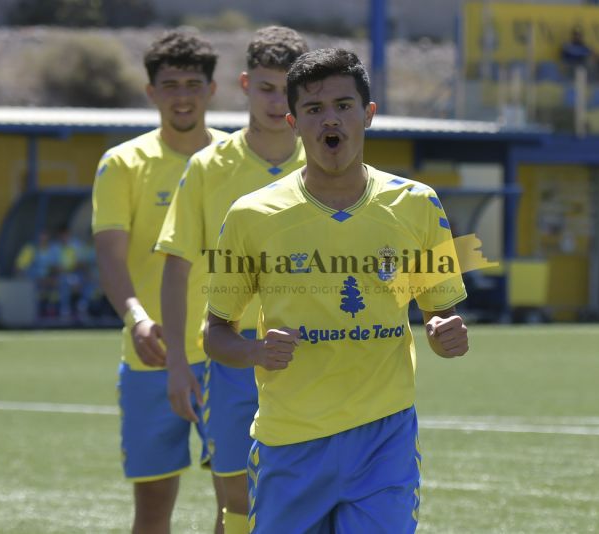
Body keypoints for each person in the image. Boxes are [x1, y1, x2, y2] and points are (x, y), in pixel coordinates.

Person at [203, 48, 470, 533]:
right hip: (291, 442)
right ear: (294, 122)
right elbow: (215, 333)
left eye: (344, 106)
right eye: (314, 109)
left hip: (383, 437)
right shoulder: (251, 215)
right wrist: (255, 351)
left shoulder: (417, 204)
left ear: (368, 115)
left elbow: (440, 312)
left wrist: (444, 332)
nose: (331, 120)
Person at [156, 26, 309, 534]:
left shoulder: (329, 162)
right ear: (245, 84)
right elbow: (176, 268)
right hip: (228, 355)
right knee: (236, 506)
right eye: (266, 87)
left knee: (300, 499)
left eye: (288, 89)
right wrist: (178, 363)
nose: (276, 100)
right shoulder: (207, 167)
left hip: (312, 353)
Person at [91, 29, 228, 534]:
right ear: (151, 93)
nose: (183, 95)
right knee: (151, 511)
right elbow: (110, 256)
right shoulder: (122, 164)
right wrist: (136, 316)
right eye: (171, 84)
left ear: (213, 90)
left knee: (237, 504)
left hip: (228, 356)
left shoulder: (237, 161)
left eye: (194, 82)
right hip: (152, 356)